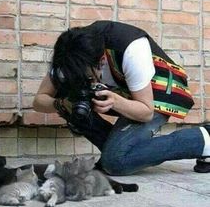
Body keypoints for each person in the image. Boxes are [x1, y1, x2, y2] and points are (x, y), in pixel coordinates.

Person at [33, 20, 210, 175]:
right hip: (123, 93)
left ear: (101, 62)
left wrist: (116, 101)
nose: (82, 80)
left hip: (156, 95)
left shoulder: (131, 48)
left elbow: (146, 112)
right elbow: (39, 101)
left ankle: (203, 139)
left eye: (86, 77)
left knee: (115, 162)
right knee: (73, 108)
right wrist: (61, 103)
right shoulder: (70, 55)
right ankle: (121, 151)